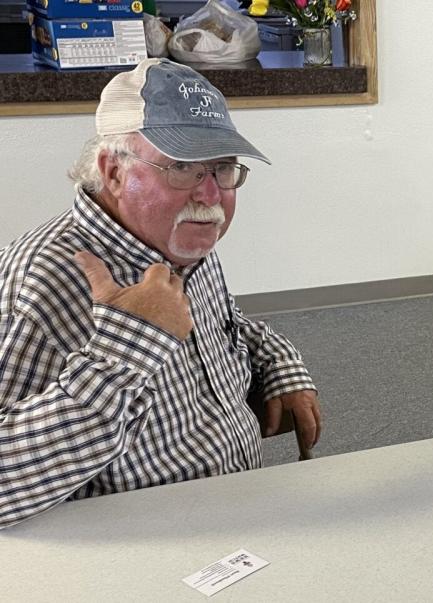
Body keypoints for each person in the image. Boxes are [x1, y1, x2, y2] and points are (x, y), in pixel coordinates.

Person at [0, 58, 322, 528]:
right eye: (184, 167)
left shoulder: (179, 240)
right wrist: (126, 350)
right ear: (113, 171)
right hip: (143, 540)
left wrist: (279, 365)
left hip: (239, 509)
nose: (211, 195)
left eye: (223, 168)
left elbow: (226, 324)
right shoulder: (41, 282)